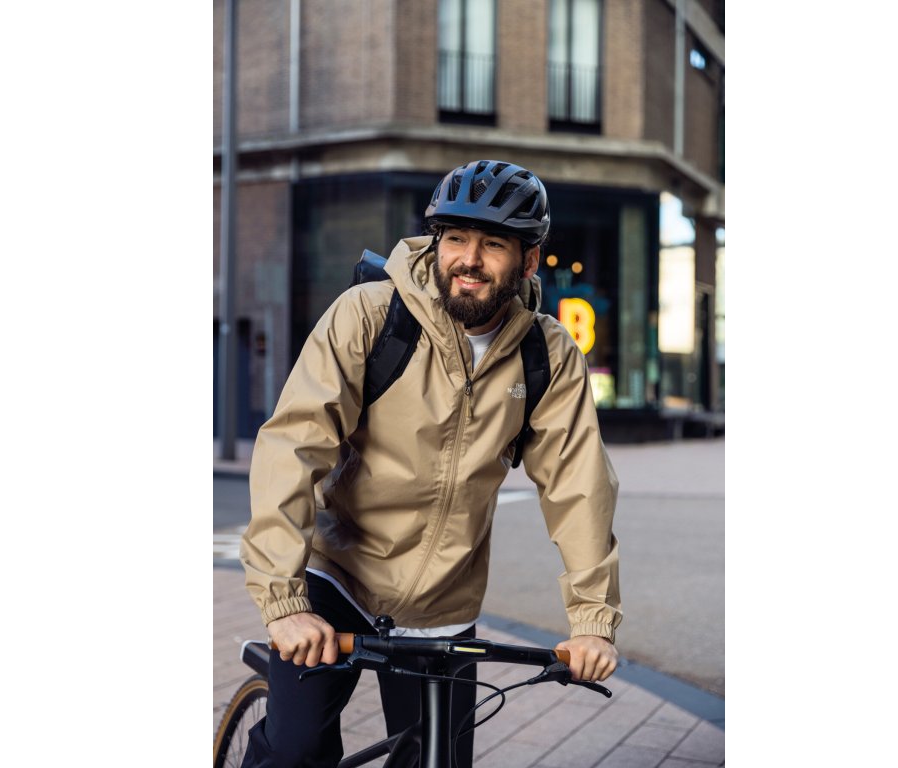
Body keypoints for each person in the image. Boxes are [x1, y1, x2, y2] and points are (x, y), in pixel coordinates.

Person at [239, 159, 621, 767]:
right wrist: (284, 605)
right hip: (334, 575)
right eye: (456, 238)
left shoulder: (546, 354)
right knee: (296, 749)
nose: (469, 259)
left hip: (442, 605)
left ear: (528, 260)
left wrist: (592, 620)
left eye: (493, 244)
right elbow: (293, 448)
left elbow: (579, 487)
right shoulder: (370, 315)